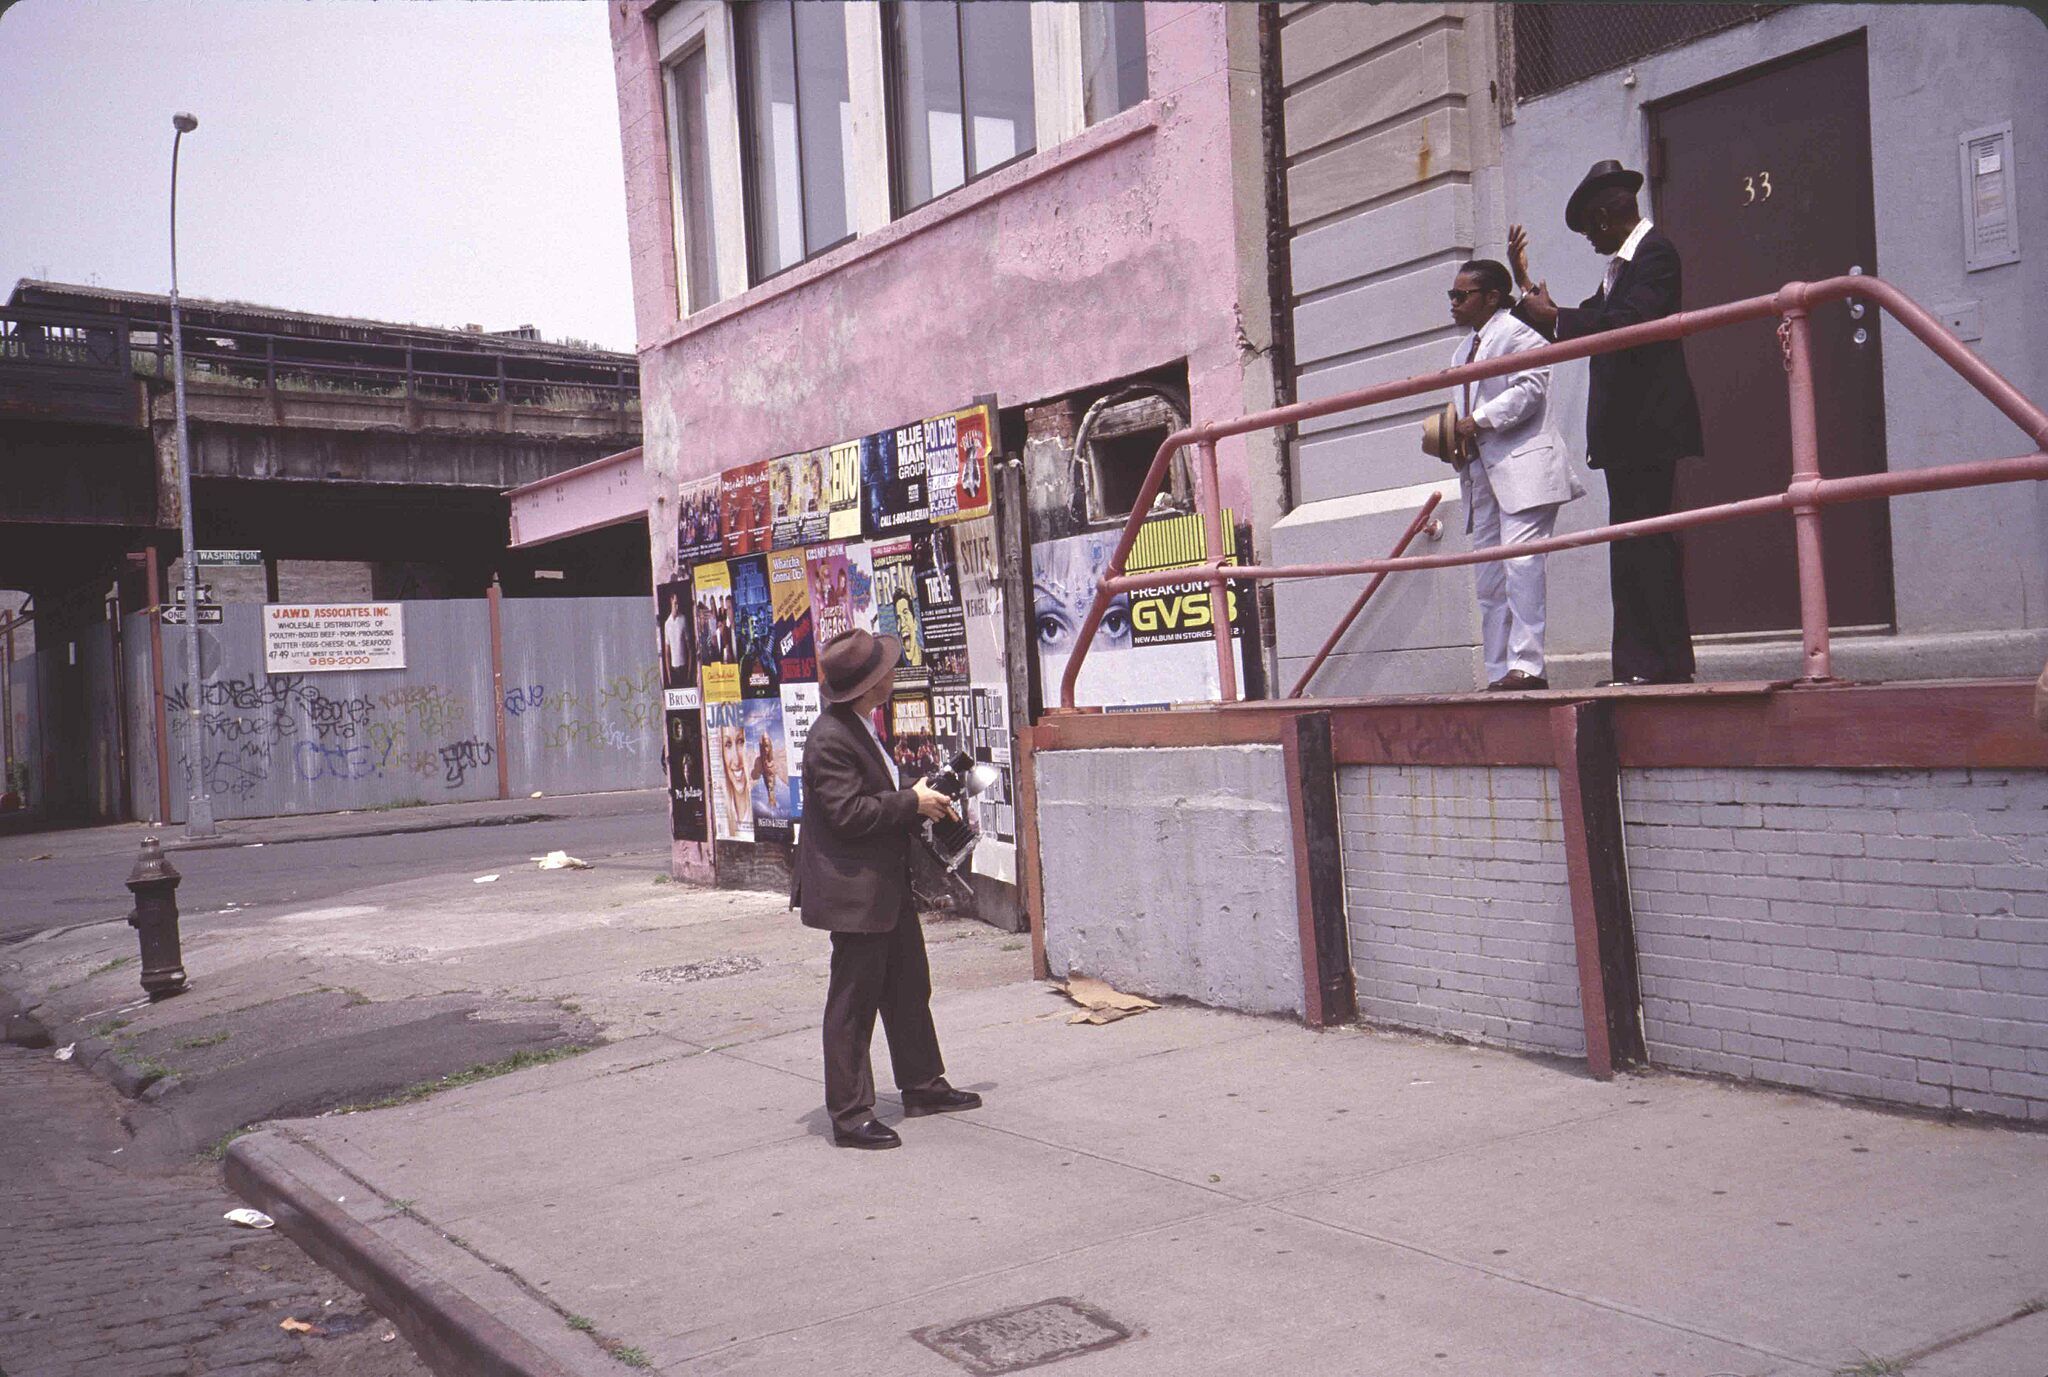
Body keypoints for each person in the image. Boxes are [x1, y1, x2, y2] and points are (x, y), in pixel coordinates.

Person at [1510, 159, 1704, 686]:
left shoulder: (1654, 255)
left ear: (1603, 219)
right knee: (1634, 542)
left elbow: (1626, 323)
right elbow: (1587, 320)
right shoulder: (1623, 266)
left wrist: (1557, 318)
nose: (1589, 243)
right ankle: (1642, 665)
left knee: (1647, 541)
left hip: (1648, 427)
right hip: (1630, 431)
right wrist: (1536, 302)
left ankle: (1661, 666)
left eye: (1588, 231)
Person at [792, 628, 980, 1150]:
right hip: (854, 893)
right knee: (853, 1003)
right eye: (886, 671)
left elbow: (871, 797)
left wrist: (921, 796)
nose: (893, 675)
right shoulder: (830, 737)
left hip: (884, 885)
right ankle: (850, 1114)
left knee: (907, 986)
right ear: (869, 685)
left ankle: (921, 1084)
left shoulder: (859, 725)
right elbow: (848, 814)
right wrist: (910, 803)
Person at [1444, 258, 1583, 691]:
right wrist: (1453, 435)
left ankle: (1528, 668)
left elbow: (1531, 389)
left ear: (1490, 297)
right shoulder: (1461, 350)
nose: (1452, 303)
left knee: (1522, 566)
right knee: (1489, 577)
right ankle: (1499, 670)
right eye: (1451, 295)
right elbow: (1464, 414)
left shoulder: (1518, 333)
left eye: (1461, 295)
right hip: (1482, 476)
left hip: (1525, 469)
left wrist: (1476, 421)